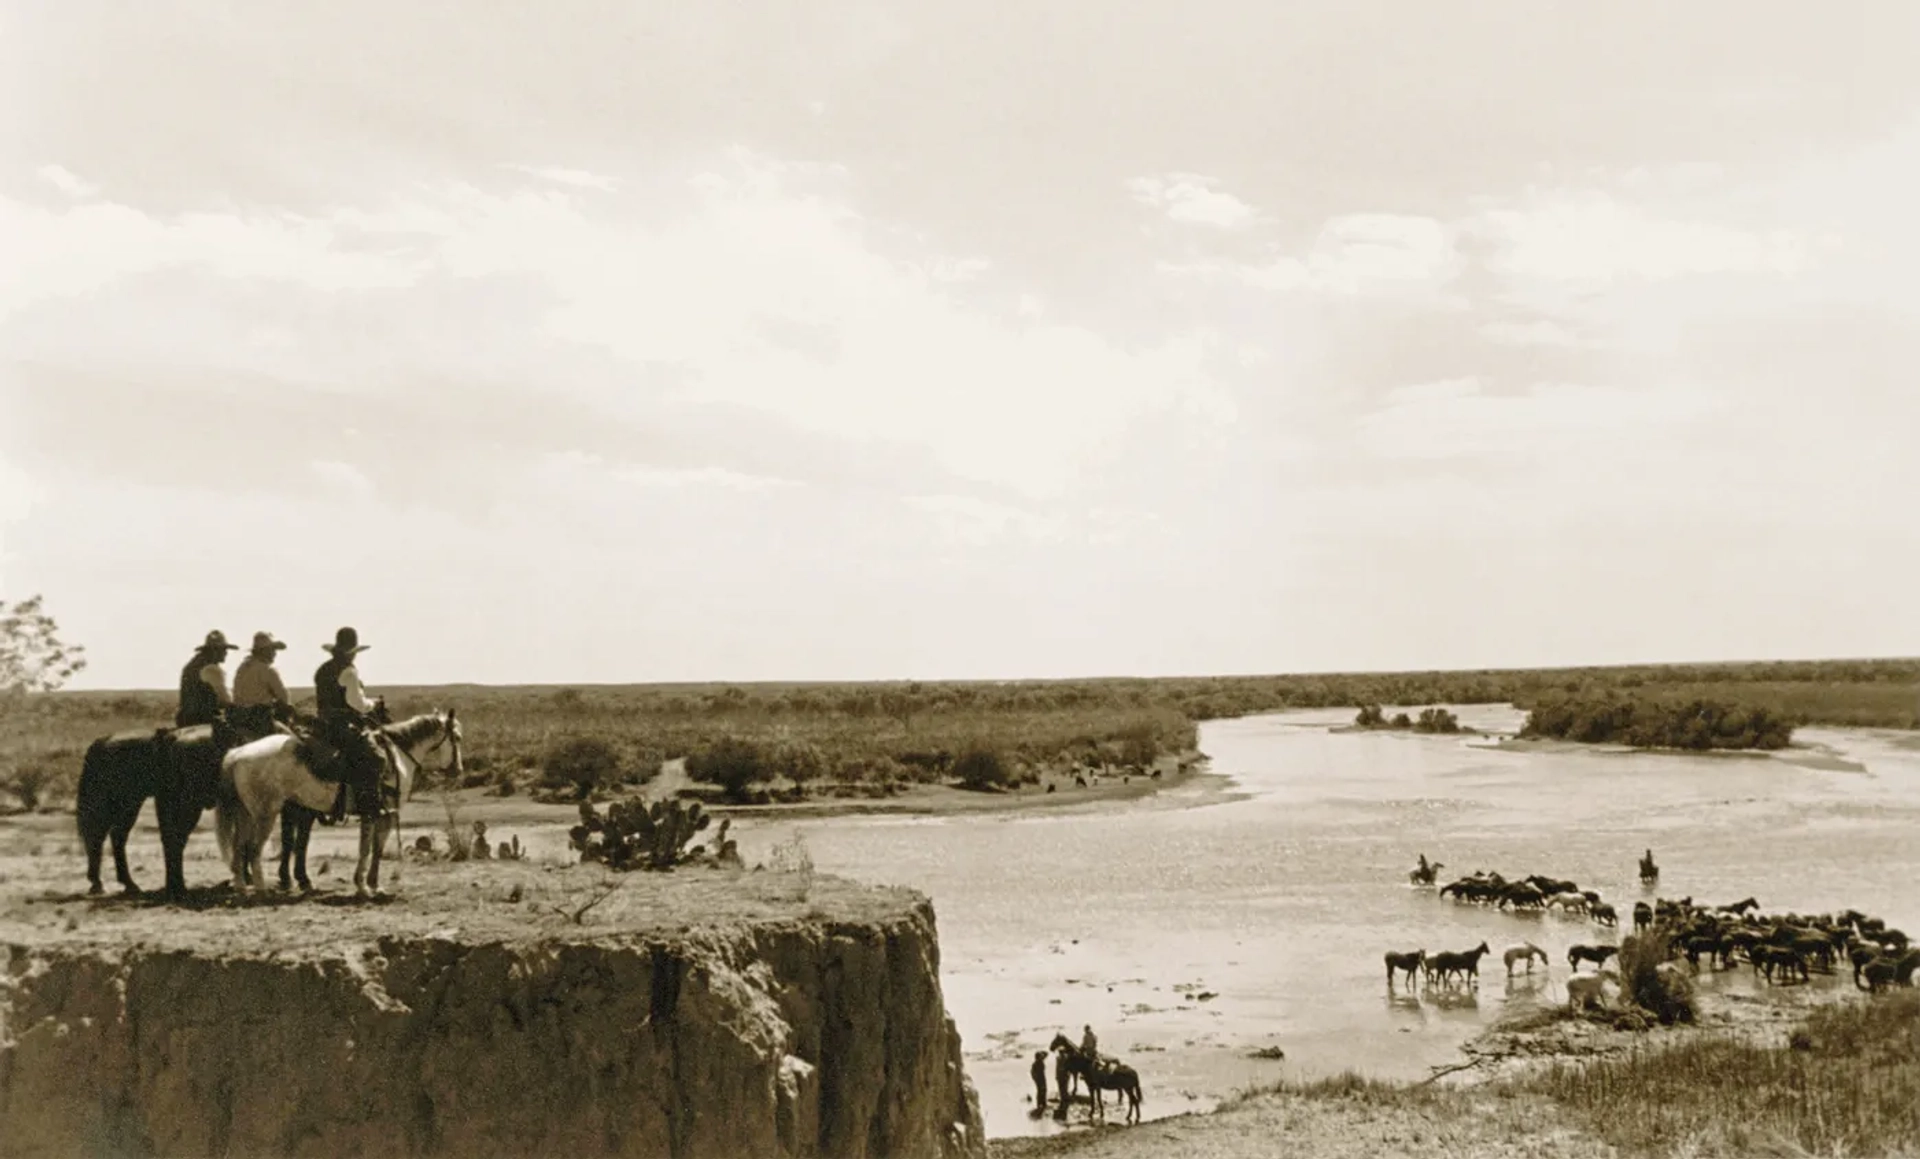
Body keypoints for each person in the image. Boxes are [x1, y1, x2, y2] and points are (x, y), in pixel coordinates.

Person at [313, 626, 388, 823]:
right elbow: (357, 703)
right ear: (352, 653)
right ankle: (370, 806)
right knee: (376, 757)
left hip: (322, 724)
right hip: (342, 725)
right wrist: (373, 705)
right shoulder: (349, 671)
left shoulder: (323, 669)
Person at [231, 631, 294, 741]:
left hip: (238, 719)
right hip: (261, 721)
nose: (275, 653)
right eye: (272, 650)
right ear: (264, 651)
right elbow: (283, 698)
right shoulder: (267, 670)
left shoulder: (242, 668)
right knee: (295, 743)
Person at [175, 630, 239, 728]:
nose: (226, 653)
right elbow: (225, 700)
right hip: (203, 720)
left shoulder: (190, 666)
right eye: (223, 649)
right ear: (214, 650)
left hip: (185, 719)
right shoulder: (212, 669)